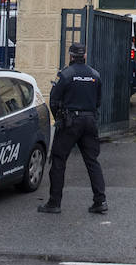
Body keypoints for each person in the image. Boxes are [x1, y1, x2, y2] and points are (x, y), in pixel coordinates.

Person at [39, 42, 106, 215]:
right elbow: (98, 101)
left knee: (59, 160)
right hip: (90, 121)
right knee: (92, 161)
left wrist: (60, 118)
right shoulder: (94, 75)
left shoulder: (66, 75)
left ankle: (54, 203)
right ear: (84, 56)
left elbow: (53, 100)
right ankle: (100, 201)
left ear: (70, 56)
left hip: (70, 122)